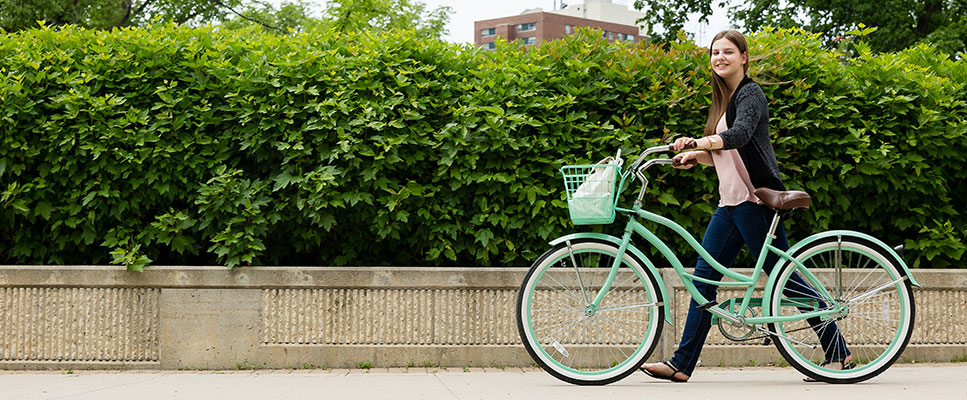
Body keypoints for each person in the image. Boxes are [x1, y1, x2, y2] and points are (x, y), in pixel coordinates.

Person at [638, 30, 851, 383]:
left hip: (755, 202)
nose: (719, 57)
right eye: (714, 52)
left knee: (787, 281)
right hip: (730, 204)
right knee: (702, 282)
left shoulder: (750, 93)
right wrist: (697, 155)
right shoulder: (723, 99)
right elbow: (724, 152)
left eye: (727, 52)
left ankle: (837, 353)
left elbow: (740, 135)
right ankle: (681, 365)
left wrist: (700, 140)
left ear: (744, 57)